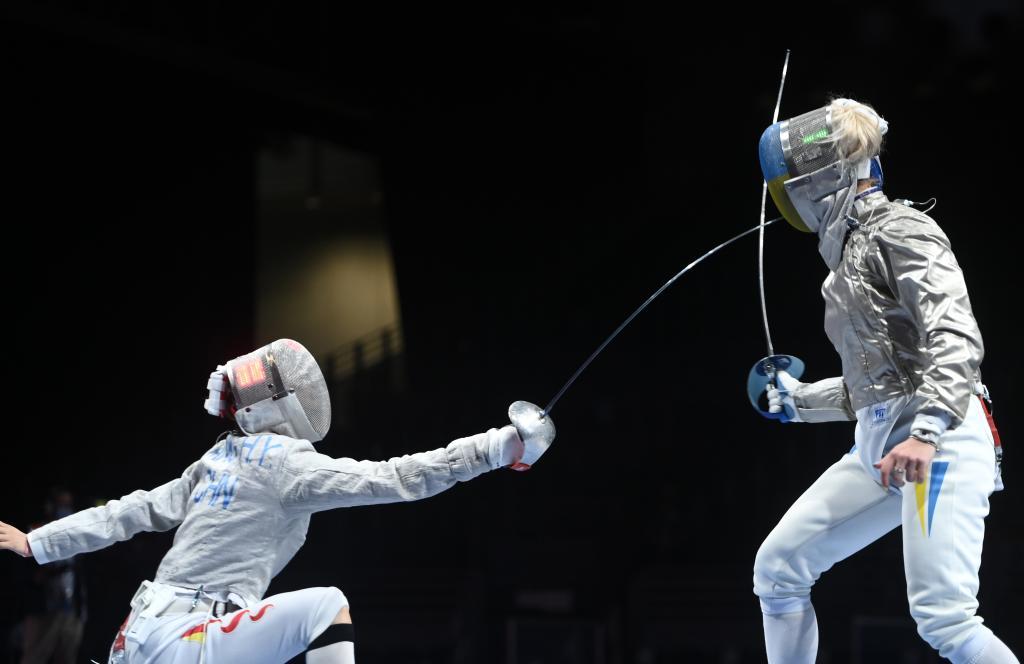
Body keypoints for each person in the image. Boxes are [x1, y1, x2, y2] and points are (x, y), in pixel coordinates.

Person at [0, 339, 536, 664]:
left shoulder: (216, 460)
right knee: (325, 608)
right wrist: (496, 448)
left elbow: (128, 511)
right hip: (191, 638)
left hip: (137, 638)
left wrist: (34, 542)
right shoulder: (286, 464)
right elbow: (398, 476)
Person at [751, 99, 1015, 663]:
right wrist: (801, 401)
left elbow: (956, 335)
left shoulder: (903, 229)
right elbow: (878, 385)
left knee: (945, 619)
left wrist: (926, 432)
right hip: (884, 448)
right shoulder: (847, 261)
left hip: (939, 444)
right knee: (778, 569)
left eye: (787, 189)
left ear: (817, 184)